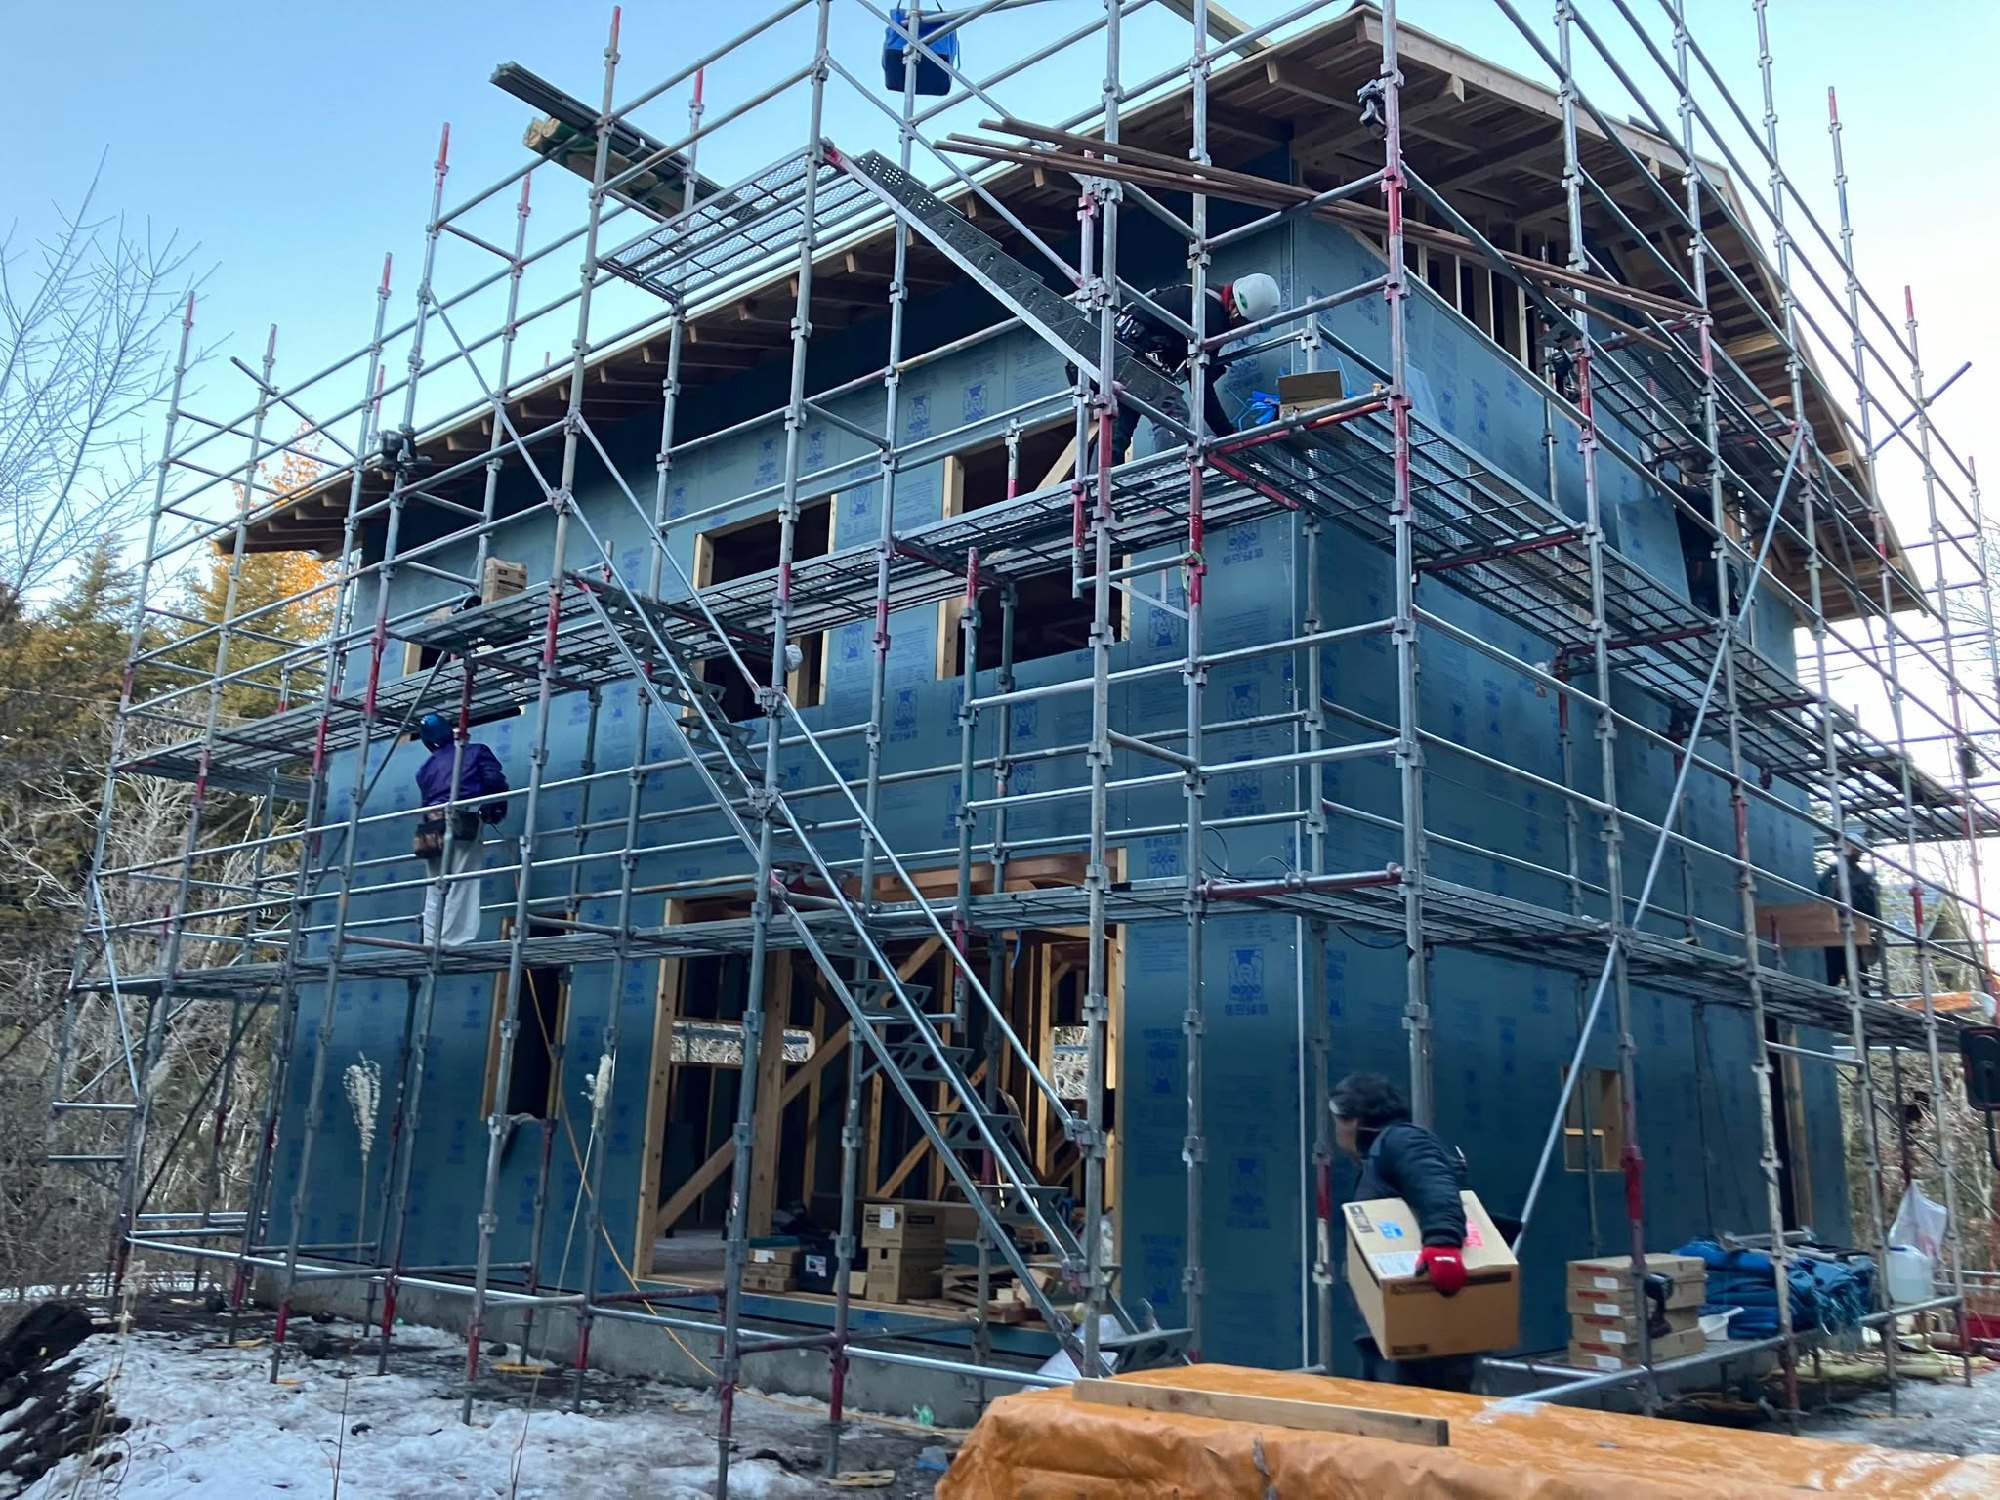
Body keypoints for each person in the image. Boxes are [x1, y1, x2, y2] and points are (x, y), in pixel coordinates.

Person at [1332, 1071, 1480, 1392]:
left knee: (1421, 1412)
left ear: (1353, 1120)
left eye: (1337, 1121)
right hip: (1397, 1326)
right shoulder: (1380, 1154)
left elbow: (1436, 1184)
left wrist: (1443, 1245)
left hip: (1422, 1327)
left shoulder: (1402, 1140)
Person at [1089, 271, 1282, 461]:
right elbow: (1201, 389)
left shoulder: (1202, 296)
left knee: (1118, 430)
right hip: (1134, 355)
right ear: (1233, 307)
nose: (1241, 330)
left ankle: (1101, 479)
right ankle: (1167, 472)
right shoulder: (1211, 316)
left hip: (1118, 351)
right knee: (1173, 414)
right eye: (1242, 323)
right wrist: (1227, 433)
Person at [413, 712, 509, 948]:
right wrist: (494, 808)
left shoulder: (425, 767)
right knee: (461, 880)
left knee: (435, 885)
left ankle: (431, 941)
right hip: (461, 819)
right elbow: (494, 782)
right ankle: (452, 942)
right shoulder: (475, 752)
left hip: (430, 828)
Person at [1820, 838, 1880, 994]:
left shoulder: (1864, 879)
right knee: (1830, 978)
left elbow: (1871, 909)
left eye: (1853, 849)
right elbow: (1819, 896)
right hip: (1831, 933)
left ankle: (1862, 1001)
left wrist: (1848, 893)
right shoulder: (1830, 874)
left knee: (1857, 978)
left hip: (1855, 933)